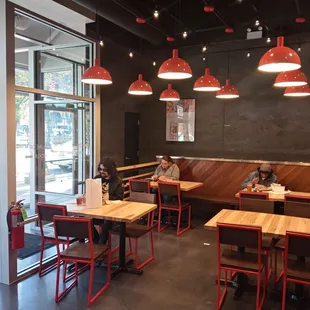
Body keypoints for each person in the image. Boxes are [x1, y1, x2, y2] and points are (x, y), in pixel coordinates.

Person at [93, 158, 124, 244]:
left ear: (111, 170)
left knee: (107, 223)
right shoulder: (97, 179)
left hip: (112, 211)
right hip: (97, 210)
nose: (101, 171)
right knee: (84, 221)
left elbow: (119, 198)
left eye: (104, 170)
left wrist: (106, 197)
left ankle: (100, 246)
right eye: (100, 169)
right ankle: (96, 242)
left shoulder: (118, 181)